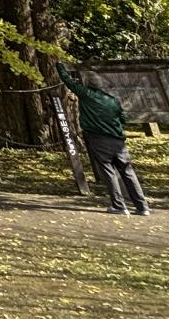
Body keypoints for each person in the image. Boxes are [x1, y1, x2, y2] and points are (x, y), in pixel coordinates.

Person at [59, 64, 151, 216]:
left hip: (99, 138)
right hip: (118, 139)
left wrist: (59, 65)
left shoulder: (86, 94)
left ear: (88, 84)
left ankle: (119, 205)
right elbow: (122, 118)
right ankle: (142, 206)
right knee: (128, 171)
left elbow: (68, 81)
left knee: (108, 171)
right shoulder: (113, 100)